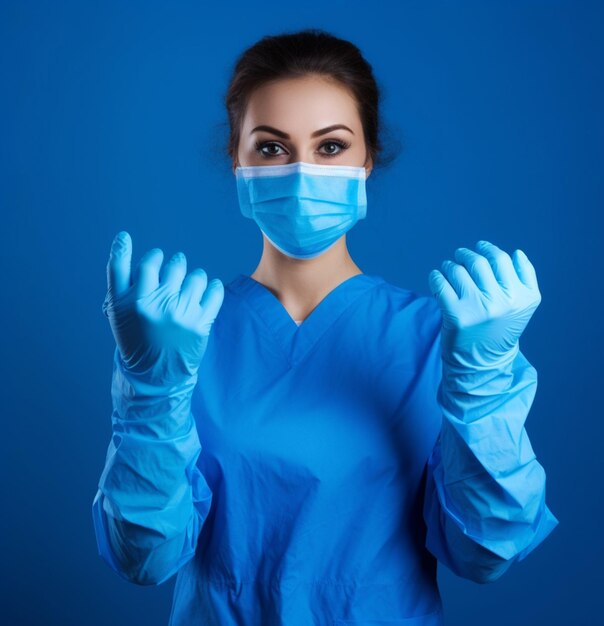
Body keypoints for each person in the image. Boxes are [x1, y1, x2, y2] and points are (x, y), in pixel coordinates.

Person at [92, 28, 559, 626]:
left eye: (331, 146)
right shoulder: (179, 337)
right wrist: (152, 387)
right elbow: (144, 558)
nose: (303, 172)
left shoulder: (441, 342)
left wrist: (485, 382)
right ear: (236, 160)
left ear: (367, 160)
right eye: (272, 148)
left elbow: (487, 552)